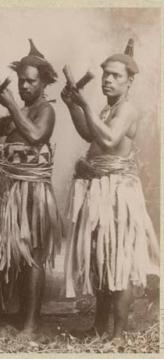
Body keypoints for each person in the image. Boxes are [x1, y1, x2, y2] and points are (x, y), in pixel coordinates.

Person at [62, 39, 159, 340]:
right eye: (105, 74)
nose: (107, 79)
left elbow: (107, 140)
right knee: (100, 256)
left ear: (130, 82)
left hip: (119, 192)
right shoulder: (108, 108)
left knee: (118, 259)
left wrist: (85, 103)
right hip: (100, 189)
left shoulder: (127, 109)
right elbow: (89, 133)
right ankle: (99, 328)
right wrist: (71, 105)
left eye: (116, 75)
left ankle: (116, 335)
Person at [0, 39, 62, 336]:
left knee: (33, 255)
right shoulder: (22, 110)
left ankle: (30, 323)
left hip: (33, 191)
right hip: (11, 189)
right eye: (20, 81)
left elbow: (36, 136)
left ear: (44, 83)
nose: (24, 86)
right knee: (14, 252)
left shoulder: (45, 110)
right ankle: (13, 313)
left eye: (30, 82)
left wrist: (12, 105)